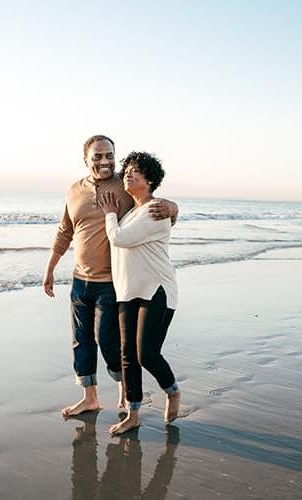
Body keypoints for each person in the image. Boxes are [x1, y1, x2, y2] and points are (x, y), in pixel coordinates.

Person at [43, 135, 178, 418]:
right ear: (86, 160)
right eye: (98, 156)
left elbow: (150, 204)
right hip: (80, 279)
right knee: (81, 340)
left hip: (111, 283)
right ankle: (89, 397)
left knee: (109, 341)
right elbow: (64, 231)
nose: (105, 161)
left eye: (109, 155)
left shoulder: (123, 184)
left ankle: (124, 390)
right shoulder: (74, 190)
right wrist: (50, 268)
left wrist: (174, 208)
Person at [99, 151, 181, 435]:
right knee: (127, 356)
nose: (128, 174)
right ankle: (133, 414)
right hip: (127, 291)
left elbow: (120, 239)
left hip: (156, 290)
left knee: (146, 354)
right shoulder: (132, 212)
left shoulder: (155, 209)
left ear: (150, 180)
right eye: (128, 169)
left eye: (136, 170)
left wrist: (110, 214)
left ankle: (172, 391)